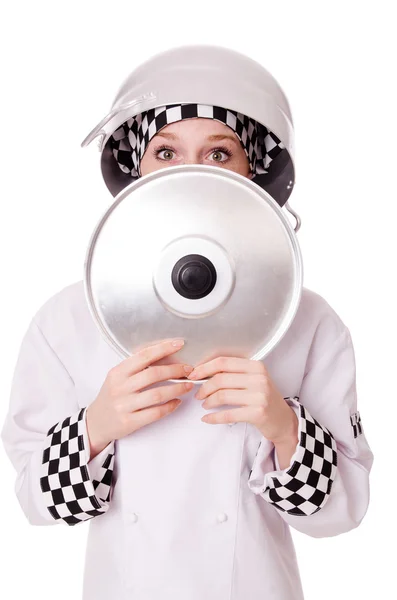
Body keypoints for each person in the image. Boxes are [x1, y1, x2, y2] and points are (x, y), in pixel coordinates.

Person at [1, 45, 374, 600]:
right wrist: (96, 426)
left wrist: (281, 423)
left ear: (255, 173)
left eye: (220, 154)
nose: (194, 172)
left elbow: (341, 515)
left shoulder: (308, 320)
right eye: (166, 151)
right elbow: (36, 504)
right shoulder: (69, 319)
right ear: (136, 172)